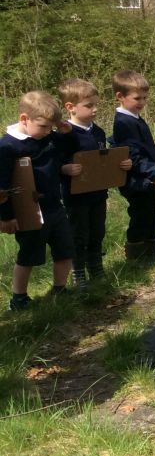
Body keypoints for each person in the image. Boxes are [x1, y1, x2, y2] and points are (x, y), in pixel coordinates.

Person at [0, 91, 77, 310]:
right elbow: (2, 186)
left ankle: (60, 289)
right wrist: (6, 216)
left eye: (51, 128)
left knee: (65, 248)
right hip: (28, 210)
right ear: (24, 119)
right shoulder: (8, 147)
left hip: (54, 205)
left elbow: (69, 148)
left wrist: (67, 132)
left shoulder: (49, 137)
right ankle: (19, 297)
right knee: (29, 254)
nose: (47, 132)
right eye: (43, 127)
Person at [57, 79, 131, 286]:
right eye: (89, 106)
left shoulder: (97, 132)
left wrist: (121, 163)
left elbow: (104, 160)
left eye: (96, 104)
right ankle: (78, 272)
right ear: (70, 107)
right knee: (78, 234)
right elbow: (54, 162)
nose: (95, 109)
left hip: (98, 193)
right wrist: (65, 168)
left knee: (97, 232)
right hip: (75, 196)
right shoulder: (63, 134)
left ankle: (96, 268)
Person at [111, 70, 155, 262]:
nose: (142, 102)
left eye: (145, 98)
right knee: (141, 216)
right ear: (120, 97)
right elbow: (134, 154)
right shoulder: (123, 122)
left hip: (146, 179)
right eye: (137, 98)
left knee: (152, 214)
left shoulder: (135, 117)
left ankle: (150, 255)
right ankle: (137, 259)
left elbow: (143, 146)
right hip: (136, 181)